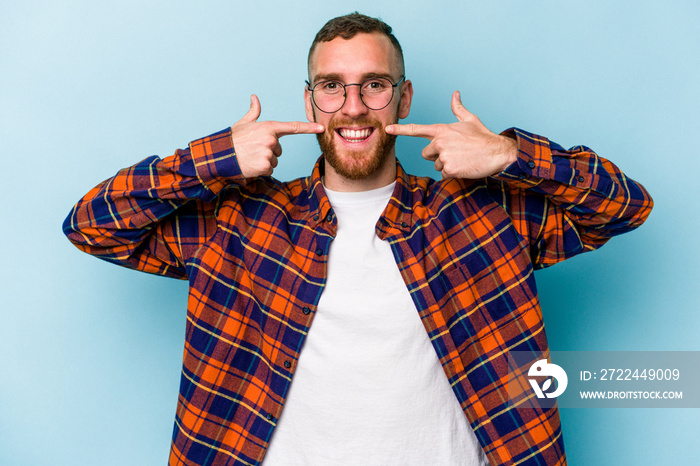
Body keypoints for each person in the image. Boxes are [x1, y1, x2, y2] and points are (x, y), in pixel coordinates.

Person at [63, 12, 653, 466]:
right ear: (309, 100)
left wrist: (507, 154)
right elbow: (91, 225)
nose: (353, 107)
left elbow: (625, 207)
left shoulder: (480, 213)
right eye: (331, 86)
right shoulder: (239, 220)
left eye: (374, 85)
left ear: (404, 96)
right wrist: (213, 159)